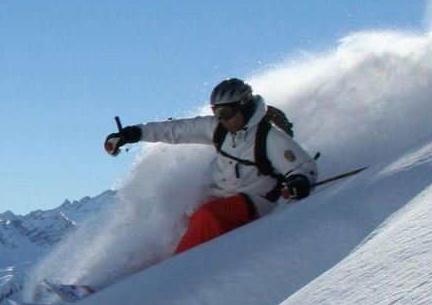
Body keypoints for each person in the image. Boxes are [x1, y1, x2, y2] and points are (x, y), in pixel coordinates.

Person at [104, 78, 318, 254]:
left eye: (226, 113)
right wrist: (132, 134)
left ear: (244, 106)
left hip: (254, 200)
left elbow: (303, 167)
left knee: (207, 216)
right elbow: (176, 130)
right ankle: (158, 261)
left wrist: (299, 181)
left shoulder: (269, 137)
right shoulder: (219, 128)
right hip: (222, 194)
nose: (221, 119)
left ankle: (175, 269)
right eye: (216, 112)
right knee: (181, 217)